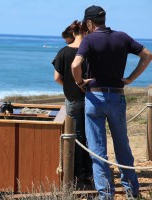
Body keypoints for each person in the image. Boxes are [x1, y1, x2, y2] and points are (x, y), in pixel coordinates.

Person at [71, 5, 152, 199]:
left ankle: (106, 195)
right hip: (117, 96)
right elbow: (147, 55)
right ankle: (132, 192)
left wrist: (80, 82)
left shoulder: (89, 39)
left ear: (89, 23)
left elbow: (75, 64)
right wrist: (131, 79)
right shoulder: (122, 37)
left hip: (95, 97)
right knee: (122, 145)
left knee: (98, 150)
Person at [52, 20, 93, 187]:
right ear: (85, 32)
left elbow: (57, 78)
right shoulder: (90, 52)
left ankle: (77, 176)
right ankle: (91, 173)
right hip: (92, 98)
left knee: (74, 136)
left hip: (73, 99)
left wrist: (69, 85)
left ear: (73, 34)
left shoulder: (63, 52)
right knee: (92, 136)